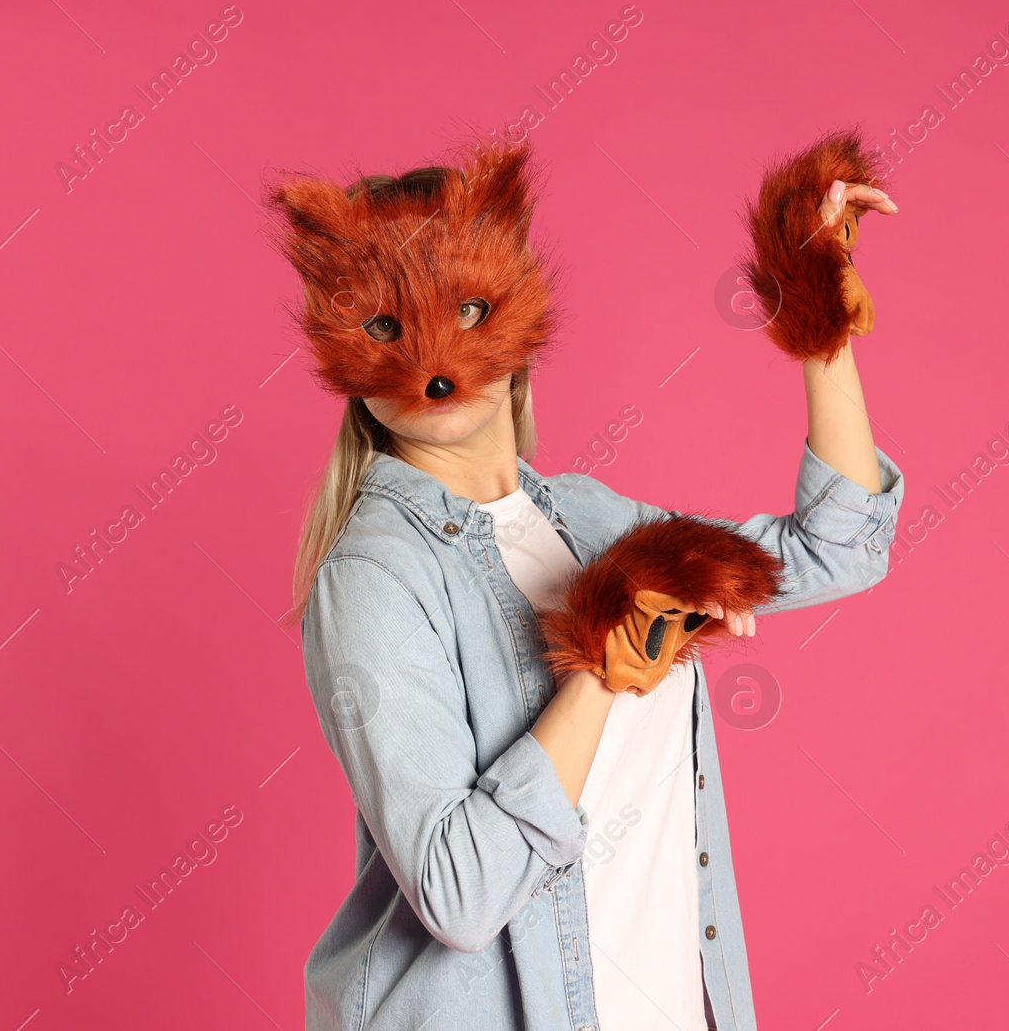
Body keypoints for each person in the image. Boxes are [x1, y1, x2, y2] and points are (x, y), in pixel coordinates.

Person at [269, 138, 904, 1031]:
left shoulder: (590, 520)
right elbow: (460, 891)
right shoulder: (376, 575)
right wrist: (602, 658)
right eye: (385, 325)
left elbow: (840, 550)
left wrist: (815, 302)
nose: (434, 362)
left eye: (466, 308)